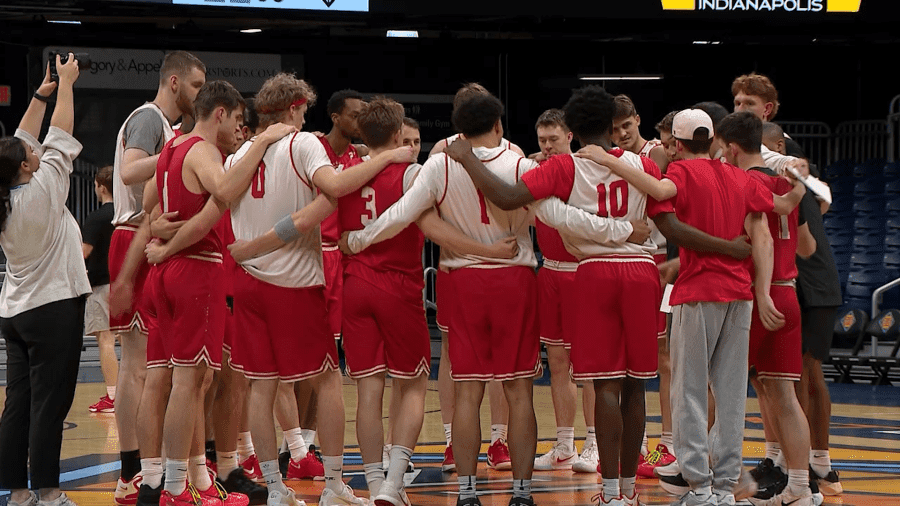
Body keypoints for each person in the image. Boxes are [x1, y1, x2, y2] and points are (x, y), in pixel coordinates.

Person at [342, 91, 631, 506]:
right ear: (498, 125)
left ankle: (466, 492)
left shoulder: (440, 164)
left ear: (458, 130)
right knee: (519, 391)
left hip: (463, 283)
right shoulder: (521, 164)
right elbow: (561, 218)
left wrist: (358, 239)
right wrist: (621, 230)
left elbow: (402, 214)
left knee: (467, 392)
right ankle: (521, 493)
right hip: (514, 281)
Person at [445, 86, 665, 506]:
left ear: (573, 130)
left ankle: (610, 494)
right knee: (636, 387)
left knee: (605, 385)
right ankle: (630, 491)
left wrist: (469, 159)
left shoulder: (565, 166)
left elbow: (507, 195)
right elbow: (663, 212)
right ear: (611, 125)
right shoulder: (642, 164)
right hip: (641, 271)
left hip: (595, 271)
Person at [576, 108, 802, 506]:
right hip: (740, 296)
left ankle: (699, 486)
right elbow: (779, 211)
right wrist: (800, 184)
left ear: (676, 146)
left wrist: (610, 161)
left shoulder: (680, 172)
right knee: (731, 396)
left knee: (690, 393)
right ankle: (725, 487)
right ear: (712, 140)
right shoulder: (740, 176)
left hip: (698, 292)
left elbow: (658, 191)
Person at [224, 72, 414, 506]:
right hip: (292, 282)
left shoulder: (239, 157)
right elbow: (335, 187)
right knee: (327, 380)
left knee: (261, 387)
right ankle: (333, 485)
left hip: (248, 282)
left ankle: (275, 489)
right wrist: (387, 157)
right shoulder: (303, 143)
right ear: (294, 107)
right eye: (304, 109)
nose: (305, 116)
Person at [107, 50, 206, 506]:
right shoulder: (150, 119)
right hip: (134, 234)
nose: (199, 95)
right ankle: (132, 472)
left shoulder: (169, 128)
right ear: (174, 82)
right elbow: (129, 170)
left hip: (152, 236)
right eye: (196, 86)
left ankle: (159, 470)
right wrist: (176, 152)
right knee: (138, 365)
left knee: (156, 367)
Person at [0, 53, 90, 506]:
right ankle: (50, 492)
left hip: (15, 313)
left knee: (17, 405)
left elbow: (20, 140)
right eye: (31, 154)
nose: (36, 150)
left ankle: (18, 494)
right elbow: (61, 133)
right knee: (49, 406)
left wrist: (39, 95)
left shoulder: (7, 194)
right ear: (27, 166)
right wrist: (68, 84)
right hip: (53, 310)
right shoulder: (45, 185)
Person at [718, 112, 818, 506]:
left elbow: (756, 240)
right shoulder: (786, 184)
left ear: (732, 148)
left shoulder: (742, 182)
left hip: (756, 294)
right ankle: (800, 487)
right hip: (788, 293)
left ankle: (723, 480)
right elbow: (807, 244)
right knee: (784, 396)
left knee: (717, 390)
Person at [526, 109, 599, 475]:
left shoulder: (585, 169)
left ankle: (595, 444)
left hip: (581, 271)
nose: (547, 146)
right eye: (542, 140)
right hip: (550, 271)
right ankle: (565, 445)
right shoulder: (536, 170)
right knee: (557, 363)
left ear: (570, 136)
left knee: (588, 366)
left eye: (553, 139)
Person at [83, 165, 118, 414]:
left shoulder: (96, 218)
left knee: (105, 340)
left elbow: (83, 253)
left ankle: (113, 396)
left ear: (101, 187)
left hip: (102, 286)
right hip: (126, 284)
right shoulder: (128, 215)